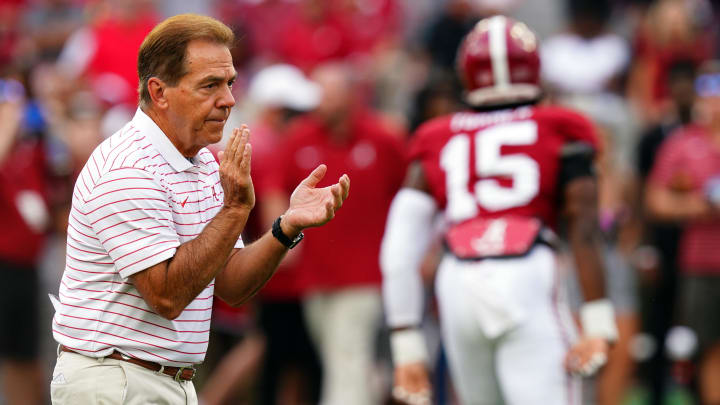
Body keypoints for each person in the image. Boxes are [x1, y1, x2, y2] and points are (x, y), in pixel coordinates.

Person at [48, 14, 350, 405]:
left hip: (155, 379)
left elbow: (231, 283)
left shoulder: (202, 160)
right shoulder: (127, 169)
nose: (228, 99)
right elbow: (168, 296)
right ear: (159, 92)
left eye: (229, 83)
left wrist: (286, 227)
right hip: (115, 381)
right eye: (210, 85)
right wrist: (235, 209)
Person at [381, 15, 618, 404]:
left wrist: (406, 344)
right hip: (527, 271)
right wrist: (598, 319)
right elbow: (584, 225)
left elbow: (399, 247)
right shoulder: (562, 126)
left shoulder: (436, 136)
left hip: (457, 279)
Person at [264, 62, 406, 405]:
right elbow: (274, 189)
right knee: (343, 361)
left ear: (348, 96)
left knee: (347, 359)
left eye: (326, 93)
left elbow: (411, 196)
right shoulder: (300, 136)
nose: (319, 102)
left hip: (364, 276)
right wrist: (281, 242)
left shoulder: (383, 139)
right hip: (315, 277)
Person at [645, 60, 720, 405]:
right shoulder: (683, 142)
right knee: (708, 347)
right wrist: (699, 206)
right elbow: (655, 199)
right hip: (702, 261)